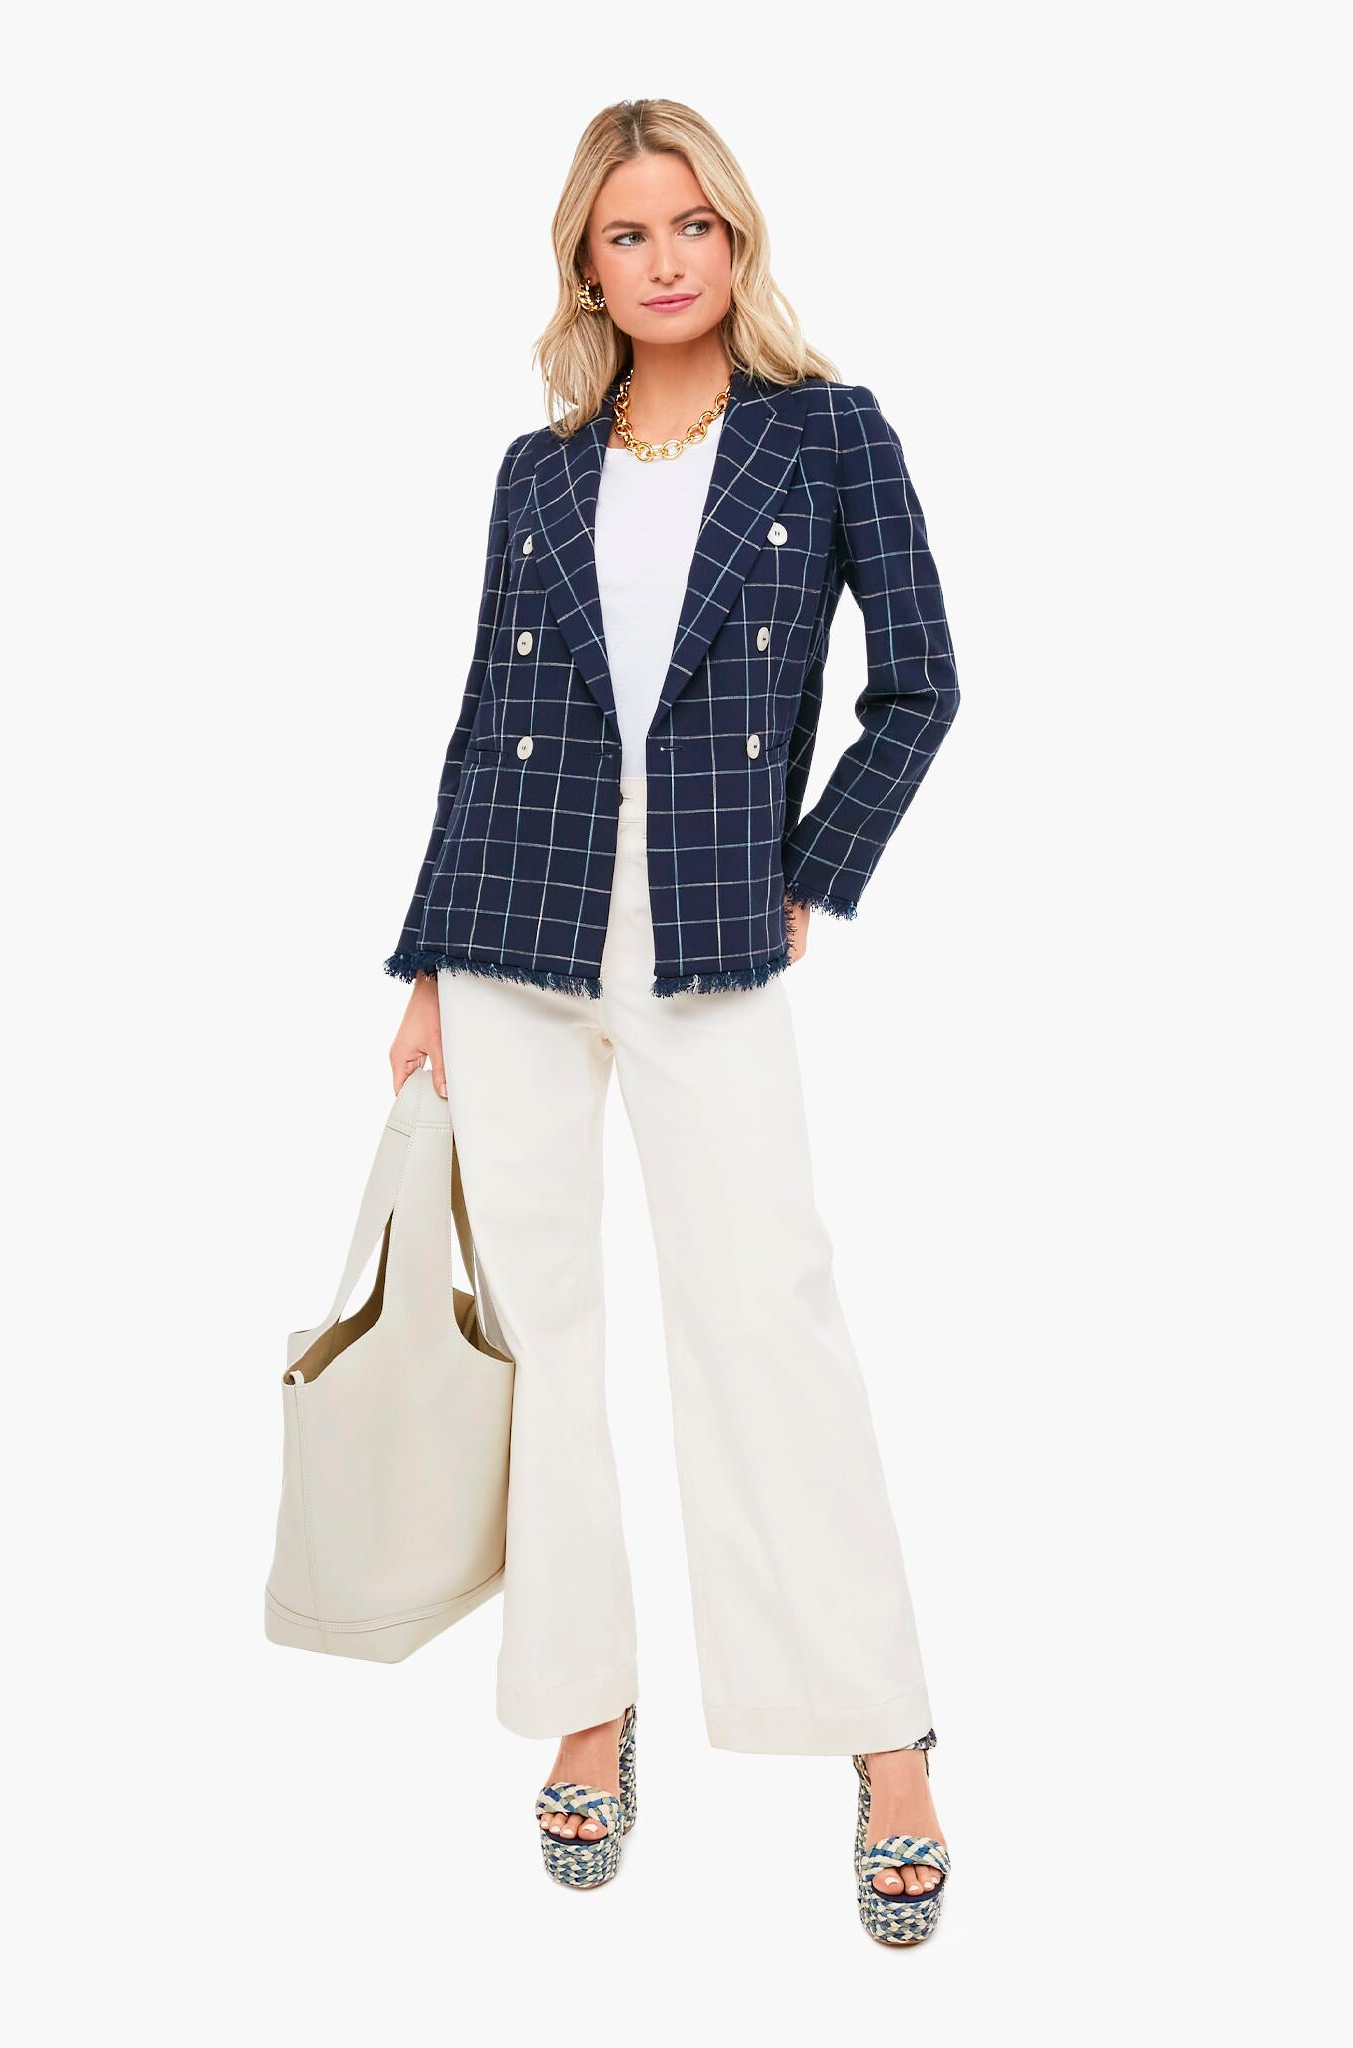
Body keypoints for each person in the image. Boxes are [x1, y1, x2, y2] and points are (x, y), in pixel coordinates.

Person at [385, 98, 960, 1944]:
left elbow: (921, 684)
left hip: (712, 936)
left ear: (736, 237)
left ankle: (881, 1734)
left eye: (692, 224)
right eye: (627, 232)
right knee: (543, 1333)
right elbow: (482, 718)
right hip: (513, 934)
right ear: (585, 257)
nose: (664, 259)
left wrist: (813, 872)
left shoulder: (827, 432)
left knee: (763, 1319)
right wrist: (426, 967)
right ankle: (586, 1705)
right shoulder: (535, 470)